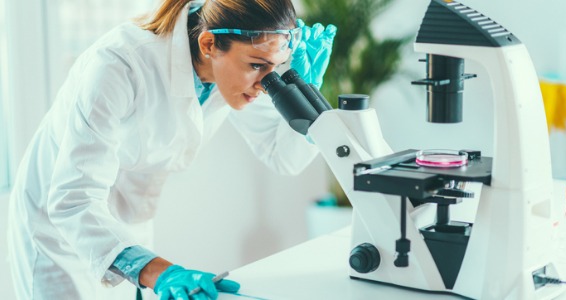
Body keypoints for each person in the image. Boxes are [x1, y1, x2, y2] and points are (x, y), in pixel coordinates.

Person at [6, 0, 336, 299]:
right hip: (60, 230)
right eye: (257, 66)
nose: (265, 84)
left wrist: (309, 101)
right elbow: (73, 199)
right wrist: (159, 271)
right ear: (209, 44)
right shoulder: (120, 63)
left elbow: (282, 155)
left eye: (273, 68)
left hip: (126, 226)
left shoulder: (231, 68)